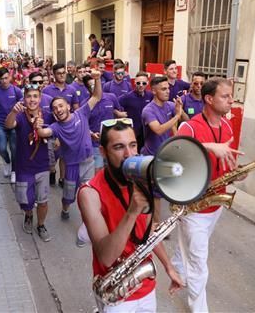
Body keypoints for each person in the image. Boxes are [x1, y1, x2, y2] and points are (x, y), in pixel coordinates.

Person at [78, 118, 183, 313]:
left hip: (145, 284)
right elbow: (106, 257)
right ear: (103, 152)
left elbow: (147, 231)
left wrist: (168, 266)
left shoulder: (140, 179)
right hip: (116, 291)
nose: (129, 154)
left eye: (133, 145)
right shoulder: (90, 193)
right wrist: (133, 211)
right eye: (118, 147)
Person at [172, 77, 243, 312]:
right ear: (209, 99)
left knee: (192, 251)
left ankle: (178, 261)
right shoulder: (189, 127)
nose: (231, 100)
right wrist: (209, 147)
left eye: (231, 95)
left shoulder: (227, 126)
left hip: (216, 204)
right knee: (199, 264)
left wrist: (237, 174)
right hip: (194, 206)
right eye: (225, 96)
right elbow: (172, 160)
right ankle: (199, 308)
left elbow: (227, 165)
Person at [36, 70, 103, 220]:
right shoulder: (56, 127)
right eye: (54, 108)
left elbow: (96, 96)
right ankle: (65, 210)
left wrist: (97, 79)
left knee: (88, 192)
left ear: (68, 106)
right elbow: (42, 133)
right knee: (68, 196)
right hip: (71, 166)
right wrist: (37, 125)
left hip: (88, 162)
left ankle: (89, 218)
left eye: (60, 106)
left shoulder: (81, 113)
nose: (58, 109)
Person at [5, 84, 53, 242]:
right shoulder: (19, 115)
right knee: (25, 201)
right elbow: (8, 125)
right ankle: (28, 215)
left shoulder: (47, 114)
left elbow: (55, 132)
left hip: (42, 166)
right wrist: (13, 111)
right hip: (24, 166)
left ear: (40, 99)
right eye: (29, 96)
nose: (32, 99)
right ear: (24, 98)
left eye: (35, 96)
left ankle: (41, 225)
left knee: (43, 201)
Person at [141, 76, 182, 222]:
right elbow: (158, 129)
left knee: (174, 186)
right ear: (153, 91)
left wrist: (179, 109)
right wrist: (177, 115)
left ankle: (176, 217)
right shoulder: (148, 110)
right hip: (152, 157)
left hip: (168, 156)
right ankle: (156, 224)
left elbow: (175, 125)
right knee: (155, 194)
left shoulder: (170, 106)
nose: (167, 91)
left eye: (168, 88)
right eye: (163, 89)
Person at [0, 67, 23, 183]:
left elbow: (22, 107)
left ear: (10, 77)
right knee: (2, 148)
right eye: (2, 79)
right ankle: (7, 163)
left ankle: (14, 170)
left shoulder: (16, 91)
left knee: (14, 149)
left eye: (6, 78)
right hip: (0, 124)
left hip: (14, 125)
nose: (4, 81)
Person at [118, 71, 154, 150]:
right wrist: (118, 113)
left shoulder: (150, 95)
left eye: (143, 83)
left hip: (146, 132)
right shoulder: (127, 97)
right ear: (134, 82)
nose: (141, 85)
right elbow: (113, 105)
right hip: (132, 132)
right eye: (138, 83)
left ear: (147, 83)